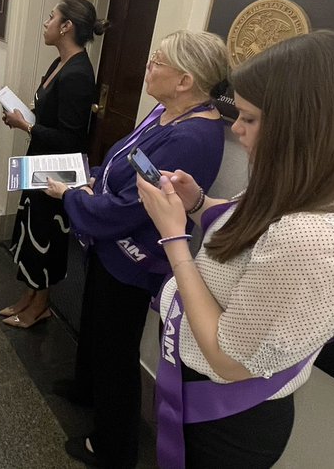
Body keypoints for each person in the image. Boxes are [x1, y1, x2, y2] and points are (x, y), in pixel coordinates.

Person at [137, 31, 334, 469]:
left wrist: (175, 238)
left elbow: (229, 357)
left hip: (227, 413)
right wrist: (199, 204)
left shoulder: (319, 240)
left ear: (305, 127)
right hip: (208, 394)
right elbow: (251, 227)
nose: (235, 130)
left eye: (250, 119)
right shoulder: (317, 187)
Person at [52, 30, 230, 469]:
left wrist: (73, 197)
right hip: (111, 247)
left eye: (158, 62)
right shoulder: (166, 111)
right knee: (94, 320)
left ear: (185, 80)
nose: (148, 66)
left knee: (116, 350)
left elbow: (135, 208)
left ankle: (114, 448)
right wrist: (94, 177)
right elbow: (126, 160)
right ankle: (85, 389)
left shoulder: (191, 137)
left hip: (135, 256)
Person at [0, 0, 101, 327]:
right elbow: (49, 113)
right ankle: (28, 297)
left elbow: (71, 139)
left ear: (67, 26)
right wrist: (25, 115)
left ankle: (40, 306)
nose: (46, 23)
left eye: (51, 16)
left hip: (57, 171)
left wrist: (25, 125)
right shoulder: (59, 63)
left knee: (46, 237)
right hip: (39, 161)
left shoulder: (78, 75)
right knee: (30, 231)